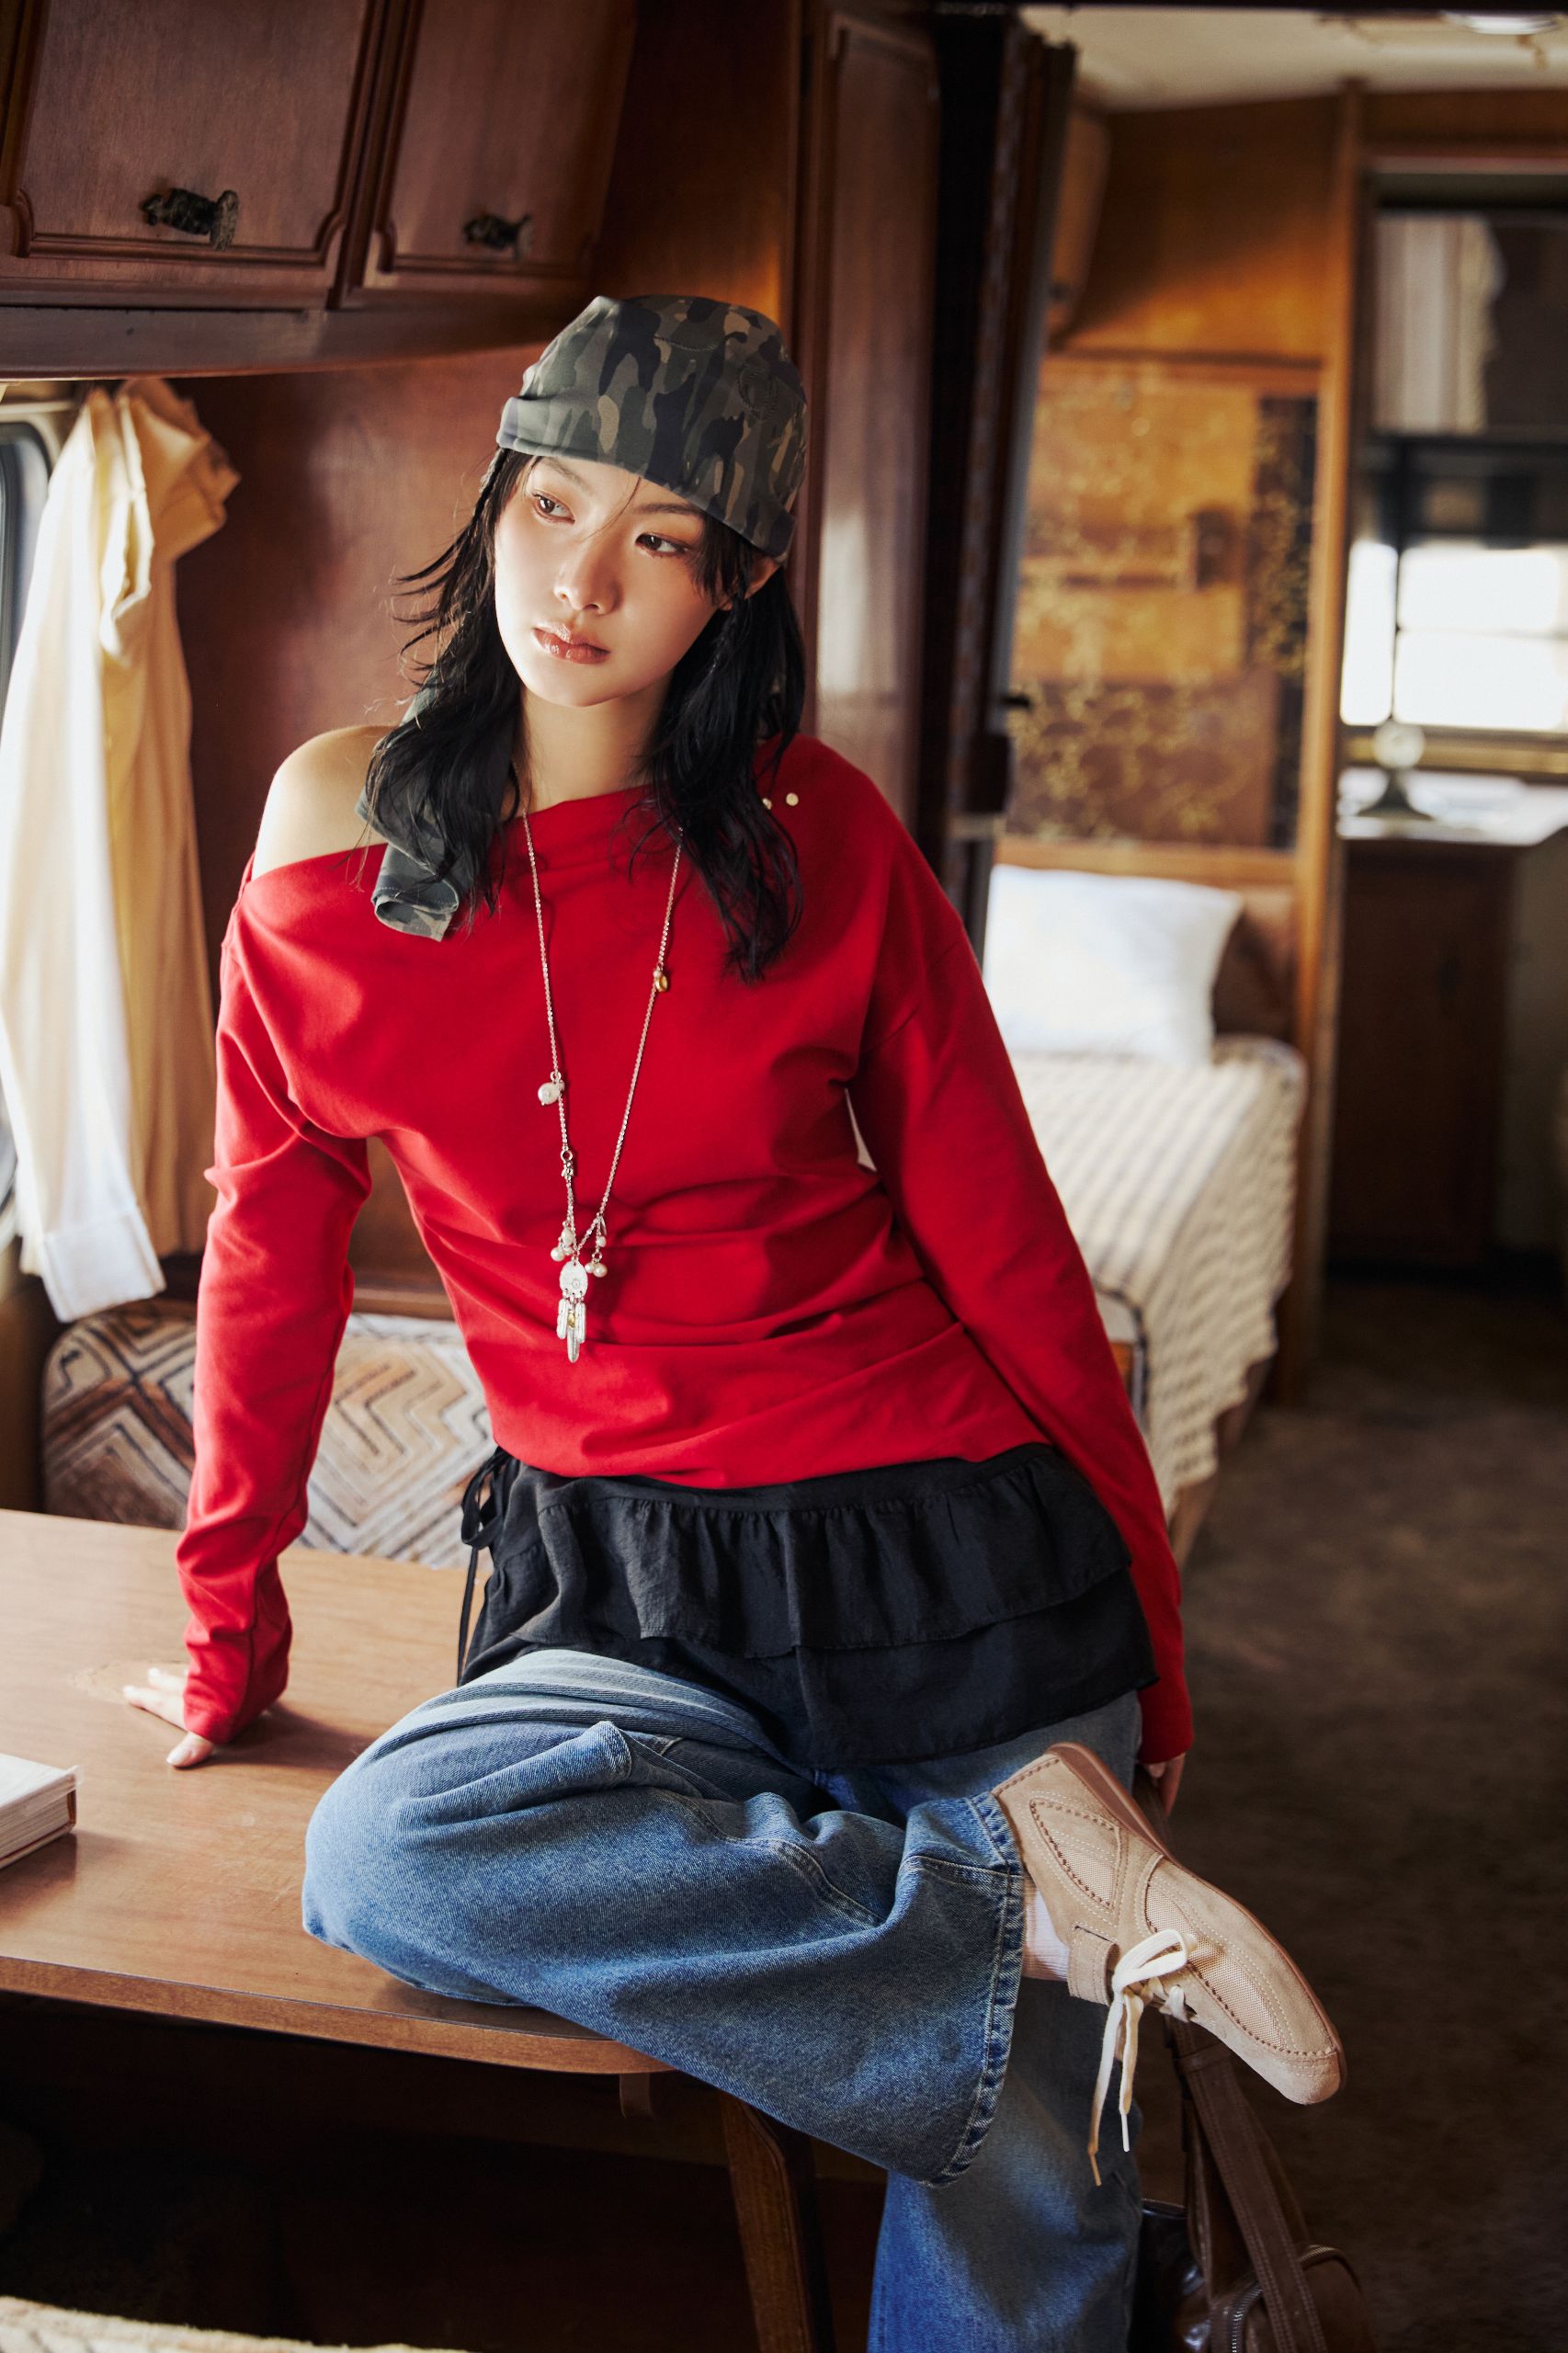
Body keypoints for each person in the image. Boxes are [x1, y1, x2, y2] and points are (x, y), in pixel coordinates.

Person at [125, 294, 1341, 2349]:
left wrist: (1149, 1645)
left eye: (662, 536)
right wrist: (228, 1624)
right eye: (554, 503)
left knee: (1026, 2171)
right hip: (622, 1583)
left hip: (935, 1541)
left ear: (738, 580)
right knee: (392, 1857)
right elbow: (270, 1254)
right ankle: (1021, 1894)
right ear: (495, 500)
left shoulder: (817, 836)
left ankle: (1044, 1882)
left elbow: (1010, 1254)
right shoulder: (330, 839)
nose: (581, 579)